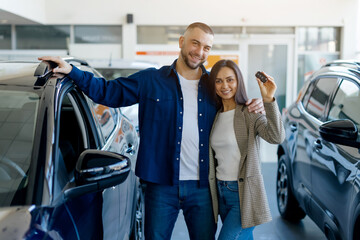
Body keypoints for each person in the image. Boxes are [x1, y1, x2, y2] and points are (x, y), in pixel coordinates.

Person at [39, 22, 265, 240]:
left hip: (202, 188)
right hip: (160, 185)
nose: (199, 52)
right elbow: (108, 92)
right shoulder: (151, 80)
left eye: (206, 47)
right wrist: (72, 71)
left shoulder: (213, 86)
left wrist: (259, 105)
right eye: (195, 43)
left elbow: (236, 106)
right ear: (181, 41)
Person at [206, 60, 285, 240]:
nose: (224, 86)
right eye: (218, 81)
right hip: (220, 192)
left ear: (238, 82)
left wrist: (268, 100)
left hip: (243, 194)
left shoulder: (249, 113)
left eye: (229, 80)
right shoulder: (215, 115)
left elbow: (276, 136)